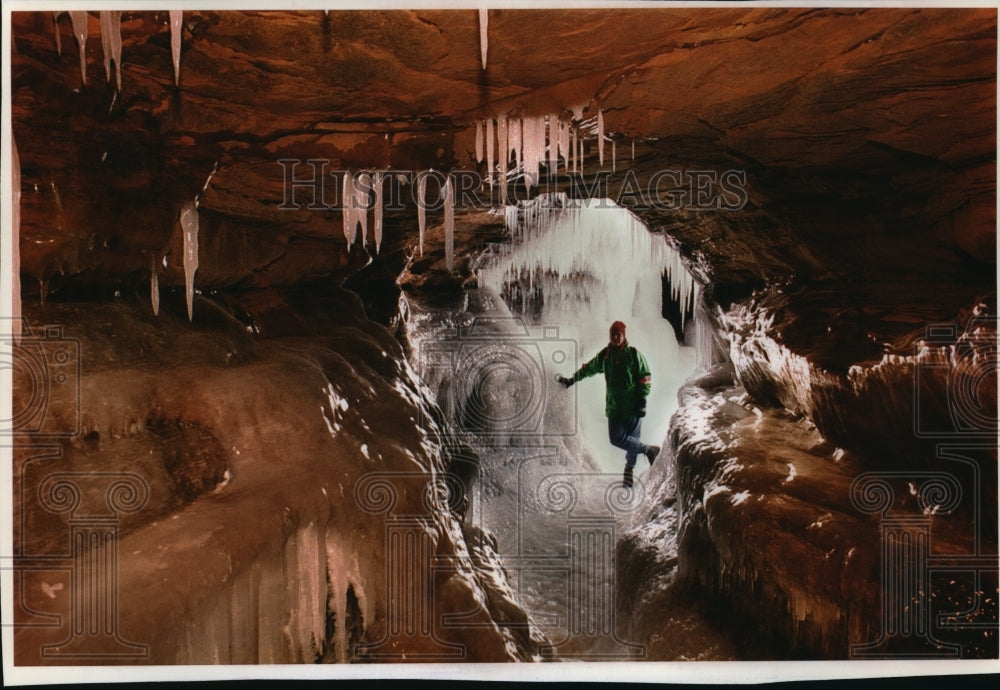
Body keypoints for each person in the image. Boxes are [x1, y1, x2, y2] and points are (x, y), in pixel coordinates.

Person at [557, 320, 660, 488]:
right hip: (614, 408)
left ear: (623, 336)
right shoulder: (606, 355)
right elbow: (589, 368)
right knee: (617, 438)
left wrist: (643, 399)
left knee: (633, 440)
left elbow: (645, 377)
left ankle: (628, 472)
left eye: (618, 334)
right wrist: (572, 379)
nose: (615, 337)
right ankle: (649, 450)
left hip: (633, 406)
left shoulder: (634, 355)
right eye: (612, 334)